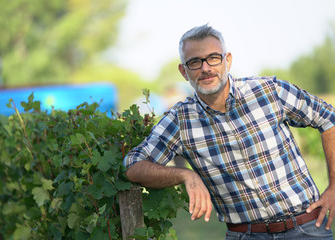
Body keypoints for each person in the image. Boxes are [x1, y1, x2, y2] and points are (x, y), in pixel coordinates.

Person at [123, 24, 335, 239]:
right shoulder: (180, 121)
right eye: (195, 62)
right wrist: (185, 175)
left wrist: (334, 187)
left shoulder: (269, 91)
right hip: (245, 235)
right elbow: (133, 165)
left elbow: (329, 118)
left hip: (306, 228)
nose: (205, 68)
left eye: (213, 57)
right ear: (183, 71)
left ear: (228, 60)